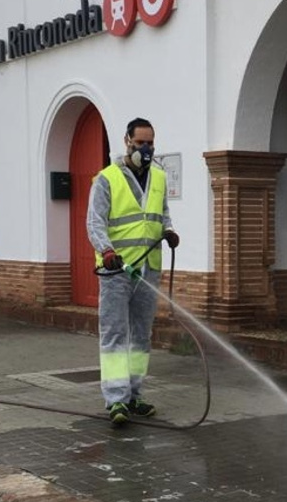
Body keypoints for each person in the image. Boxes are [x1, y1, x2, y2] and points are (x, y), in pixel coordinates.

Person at [86, 117, 179, 426]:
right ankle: (115, 399)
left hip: (148, 268)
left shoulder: (160, 177)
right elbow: (95, 222)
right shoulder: (106, 178)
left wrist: (168, 230)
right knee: (114, 334)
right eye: (141, 143)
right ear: (127, 141)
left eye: (150, 143)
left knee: (140, 335)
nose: (146, 148)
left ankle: (134, 394)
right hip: (116, 271)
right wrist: (107, 250)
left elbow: (162, 212)